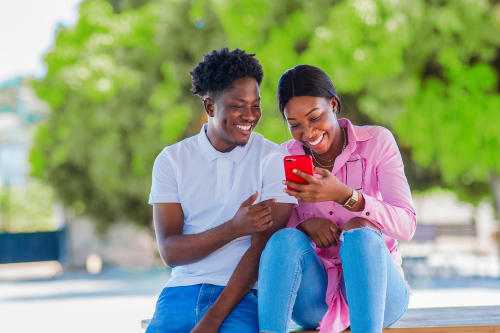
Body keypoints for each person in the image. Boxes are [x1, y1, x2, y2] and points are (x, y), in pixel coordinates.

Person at [146, 48, 297, 333]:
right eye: (238, 105)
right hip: (180, 291)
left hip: (242, 295)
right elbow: (171, 251)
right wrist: (235, 227)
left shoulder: (274, 159)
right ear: (210, 107)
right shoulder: (172, 160)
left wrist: (212, 320)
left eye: (256, 105)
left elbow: (263, 248)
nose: (250, 116)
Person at [258, 65, 417, 333]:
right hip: (316, 298)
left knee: (362, 235)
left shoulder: (377, 142)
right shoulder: (285, 158)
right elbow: (277, 244)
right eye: (294, 125)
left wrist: (347, 196)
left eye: (315, 117)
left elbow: (407, 226)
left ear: (333, 104)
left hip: (380, 296)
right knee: (283, 240)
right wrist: (303, 227)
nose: (307, 133)